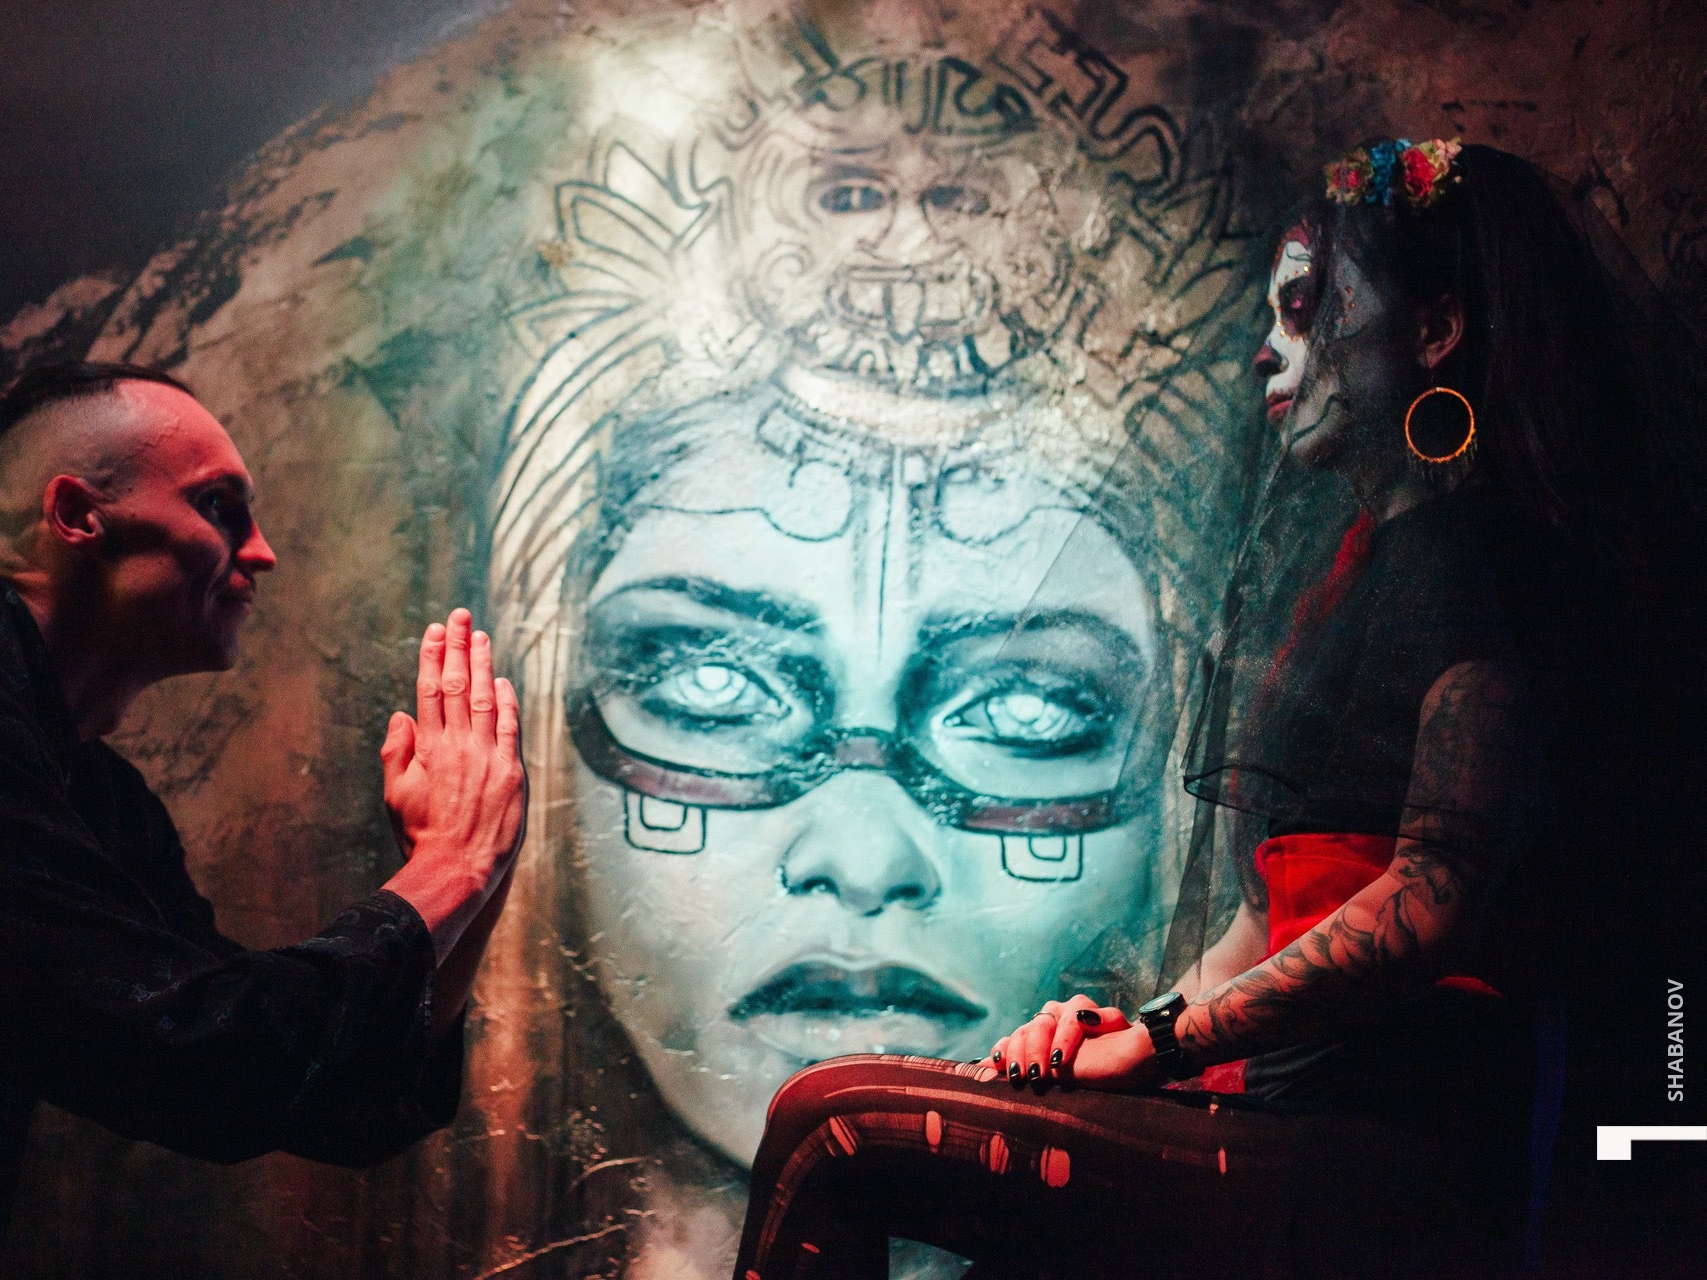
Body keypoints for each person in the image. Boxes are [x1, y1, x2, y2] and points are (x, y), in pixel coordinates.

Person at [729, 141, 1707, 1279]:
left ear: (1436, 331)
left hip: (1397, 1144)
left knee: (835, 1125)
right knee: (857, 1125)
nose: (1266, 348)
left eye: (1305, 309)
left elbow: (1435, 897)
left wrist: (1160, 1042)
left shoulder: (1483, 555)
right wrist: (1122, 1026)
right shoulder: (1352, 570)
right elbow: (1259, 923)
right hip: (1285, 1110)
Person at [0, 361, 528, 1279]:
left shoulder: (100, 801)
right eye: (220, 506)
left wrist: (476, 863)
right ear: (76, 515)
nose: (262, 553)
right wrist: (450, 866)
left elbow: (310, 1098)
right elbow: (192, 1059)